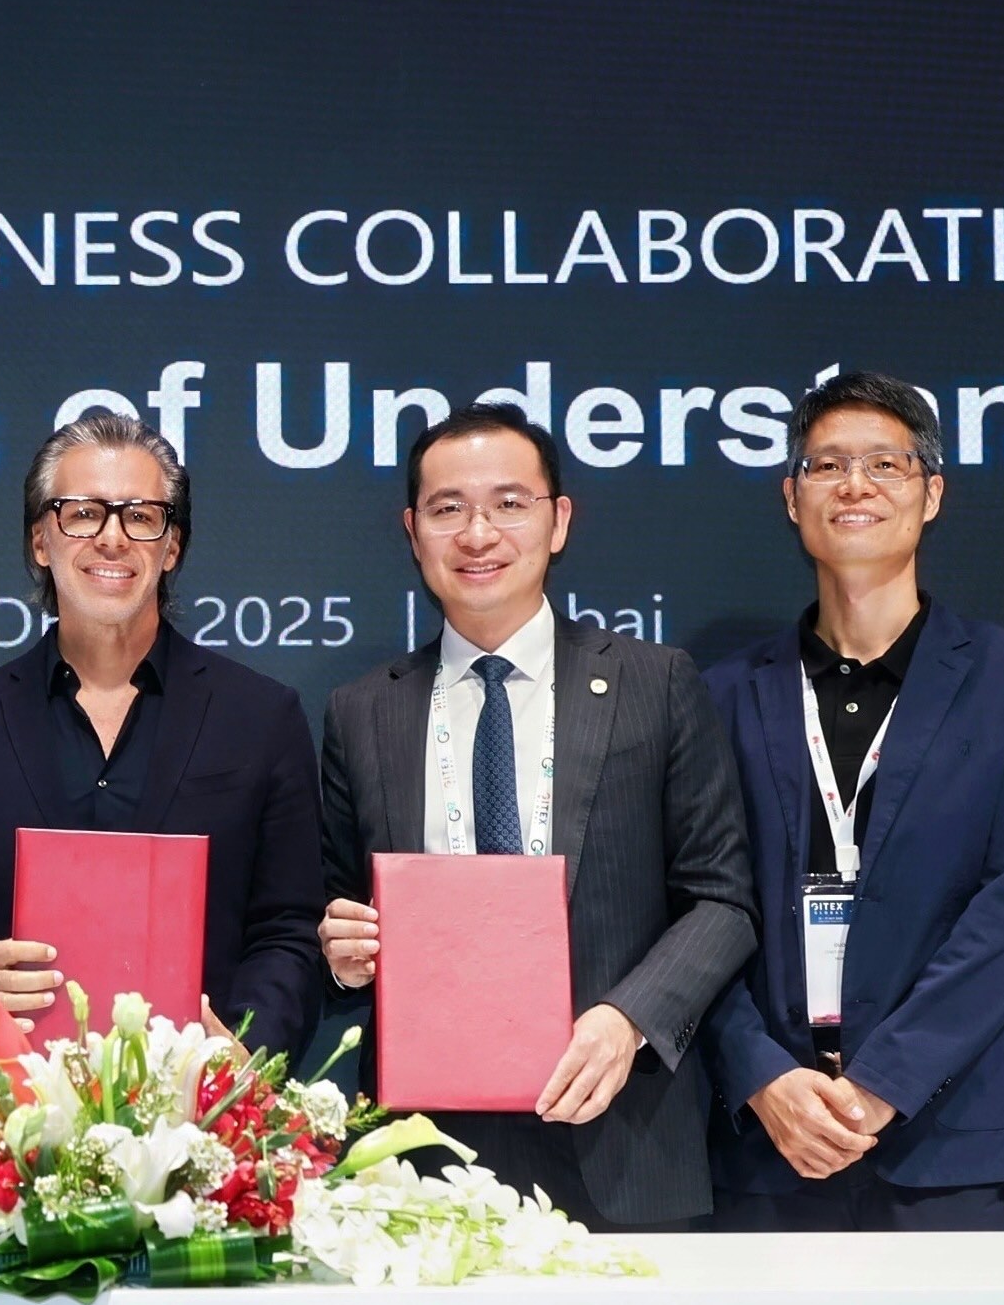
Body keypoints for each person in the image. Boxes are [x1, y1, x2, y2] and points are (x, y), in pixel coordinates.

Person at [315, 408, 755, 1225]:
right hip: (426, 1153)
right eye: (447, 508)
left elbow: (722, 900)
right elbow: (339, 909)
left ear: (559, 521)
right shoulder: (361, 712)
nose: (478, 533)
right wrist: (341, 954)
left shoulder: (654, 683)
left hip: (621, 1133)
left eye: (509, 503)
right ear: (413, 532)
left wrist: (629, 1018)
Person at [700, 374, 1004, 1228]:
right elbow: (694, 909)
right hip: (771, 1140)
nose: (854, 485)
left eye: (885, 464)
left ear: (931, 494)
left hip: (952, 1140)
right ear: (791, 498)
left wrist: (882, 1084)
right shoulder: (721, 695)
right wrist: (760, 1074)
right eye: (827, 465)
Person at [0, 412, 325, 1058]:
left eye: (140, 516)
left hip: (198, 1101)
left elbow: (289, 928)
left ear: (171, 547)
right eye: (83, 514)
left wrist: (244, 1047)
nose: (112, 538)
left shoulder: (260, 718)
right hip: (9, 1099)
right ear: (41, 541)